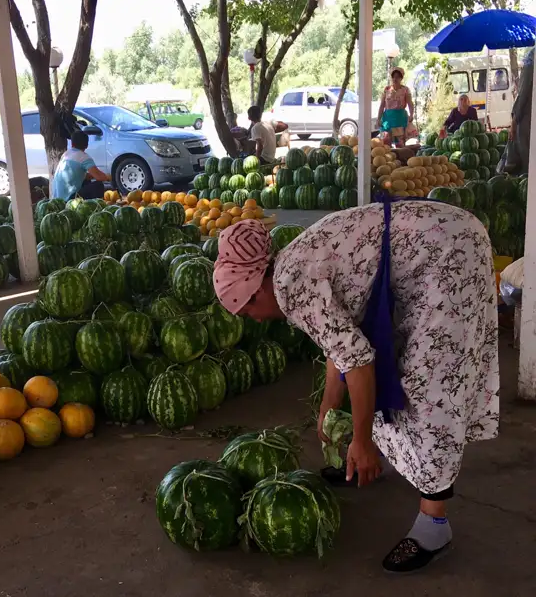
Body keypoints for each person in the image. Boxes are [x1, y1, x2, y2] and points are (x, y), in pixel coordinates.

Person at [212, 208, 499, 573]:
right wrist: (328, 406)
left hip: (449, 254)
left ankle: (434, 524)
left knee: (430, 387)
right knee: (395, 367)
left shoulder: (291, 289)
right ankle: (374, 462)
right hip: (440, 241)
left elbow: (359, 363)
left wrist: (360, 439)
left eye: (247, 312)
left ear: (255, 292)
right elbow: (342, 343)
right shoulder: (288, 268)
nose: (254, 320)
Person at [51, 130, 110, 201]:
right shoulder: (84, 157)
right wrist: (108, 176)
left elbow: (79, 175)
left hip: (57, 199)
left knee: (87, 181)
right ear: (87, 145)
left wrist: (92, 176)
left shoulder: (66, 154)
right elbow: (99, 177)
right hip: (69, 200)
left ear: (72, 144)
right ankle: (97, 206)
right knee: (98, 185)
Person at [504, 48, 533, 175]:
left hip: (528, 122)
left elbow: (523, 94)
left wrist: (514, 121)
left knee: (528, 165)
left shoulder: (532, 60)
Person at [377, 67, 415, 147]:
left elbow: (410, 103)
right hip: (387, 119)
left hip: (400, 119)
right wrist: (378, 119)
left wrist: (411, 115)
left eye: (398, 77)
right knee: (385, 143)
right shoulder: (387, 89)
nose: (395, 79)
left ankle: (400, 159)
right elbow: (382, 105)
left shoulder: (405, 89)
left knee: (400, 144)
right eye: (393, 76)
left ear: (401, 78)